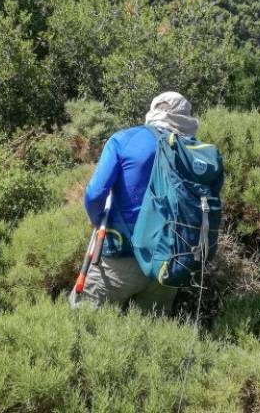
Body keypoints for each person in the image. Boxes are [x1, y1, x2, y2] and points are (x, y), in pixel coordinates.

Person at [69, 91, 199, 313]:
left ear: (153, 109)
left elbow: (95, 194)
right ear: (186, 117)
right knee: (151, 335)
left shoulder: (125, 139)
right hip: (170, 263)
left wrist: (95, 219)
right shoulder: (195, 151)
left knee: (83, 320)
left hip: (122, 258)